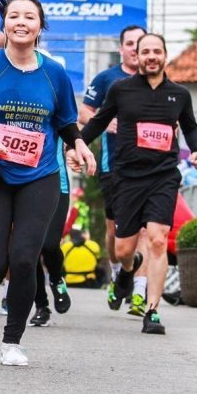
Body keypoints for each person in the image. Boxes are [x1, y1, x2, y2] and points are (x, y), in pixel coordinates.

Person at [0, 0, 94, 366]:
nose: (21, 22)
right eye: (14, 16)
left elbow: (65, 121)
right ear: (5, 23)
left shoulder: (55, 73)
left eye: (29, 17)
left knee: (25, 256)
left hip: (40, 175)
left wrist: (78, 145)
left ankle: (12, 341)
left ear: (40, 27)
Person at [75, 33, 197, 336]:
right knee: (123, 249)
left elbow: (190, 128)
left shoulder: (179, 94)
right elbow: (97, 121)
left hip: (163, 176)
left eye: (156, 51)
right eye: (145, 51)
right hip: (127, 177)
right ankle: (128, 269)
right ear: (137, 55)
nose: (150, 56)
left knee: (158, 240)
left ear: (164, 55)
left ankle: (153, 310)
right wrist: (77, 145)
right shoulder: (121, 90)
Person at [80, 24, 150, 314]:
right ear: (121, 48)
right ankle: (117, 272)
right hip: (113, 167)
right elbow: (84, 112)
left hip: (148, 168)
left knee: (145, 231)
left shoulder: (155, 79)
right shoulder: (108, 78)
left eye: (140, 43)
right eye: (130, 43)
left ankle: (139, 295)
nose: (135, 48)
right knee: (115, 232)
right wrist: (107, 122)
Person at [29, 148, 74, 327]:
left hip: (56, 182)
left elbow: (76, 124)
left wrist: (73, 148)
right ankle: (41, 306)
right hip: (23, 183)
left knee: (49, 244)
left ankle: (56, 278)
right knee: (31, 249)